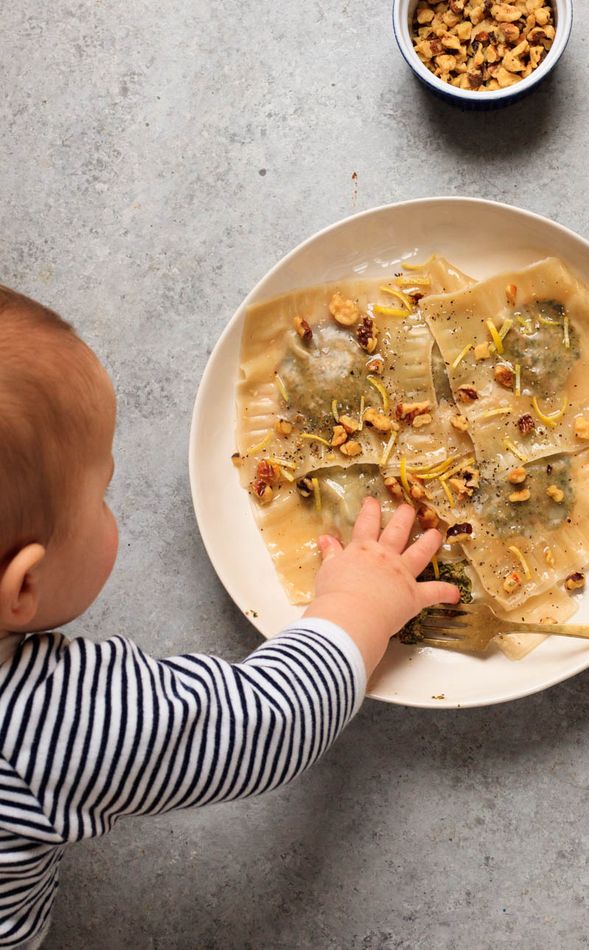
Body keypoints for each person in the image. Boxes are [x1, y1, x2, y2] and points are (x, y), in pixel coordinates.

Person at [0, 286, 460, 949]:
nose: (111, 501)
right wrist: (356, 603)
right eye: (101, 494)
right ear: (24, 585)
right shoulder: (42, 723)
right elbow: (266, 724)